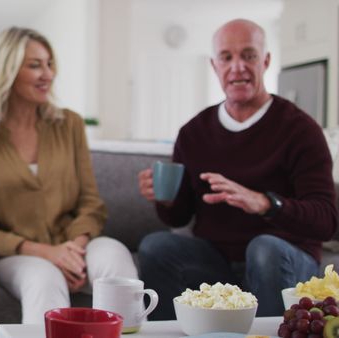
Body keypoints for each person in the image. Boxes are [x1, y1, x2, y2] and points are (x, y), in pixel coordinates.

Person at [137, 18, 338, 319]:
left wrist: (265, 203)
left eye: (249, 55)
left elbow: (327, 221)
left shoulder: (300, 129)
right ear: (214, 65)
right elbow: (179, 216)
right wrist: (166, 199)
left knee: (264, 248)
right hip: (218, 260)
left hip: (283, 258)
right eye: (226, 57)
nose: (238, 67)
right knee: (155, 247)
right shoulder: (194, 132)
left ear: (266, 61)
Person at [0, 26, 138, 324]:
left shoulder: (69, 125)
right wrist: (47, 253)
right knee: (43, 276)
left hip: (74, 242)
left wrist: (73, 250)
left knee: (113, 254)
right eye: (35, 65)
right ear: (7, 70)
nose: (48, 74)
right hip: (15, 255)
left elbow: (91, 203)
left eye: (49, 63)